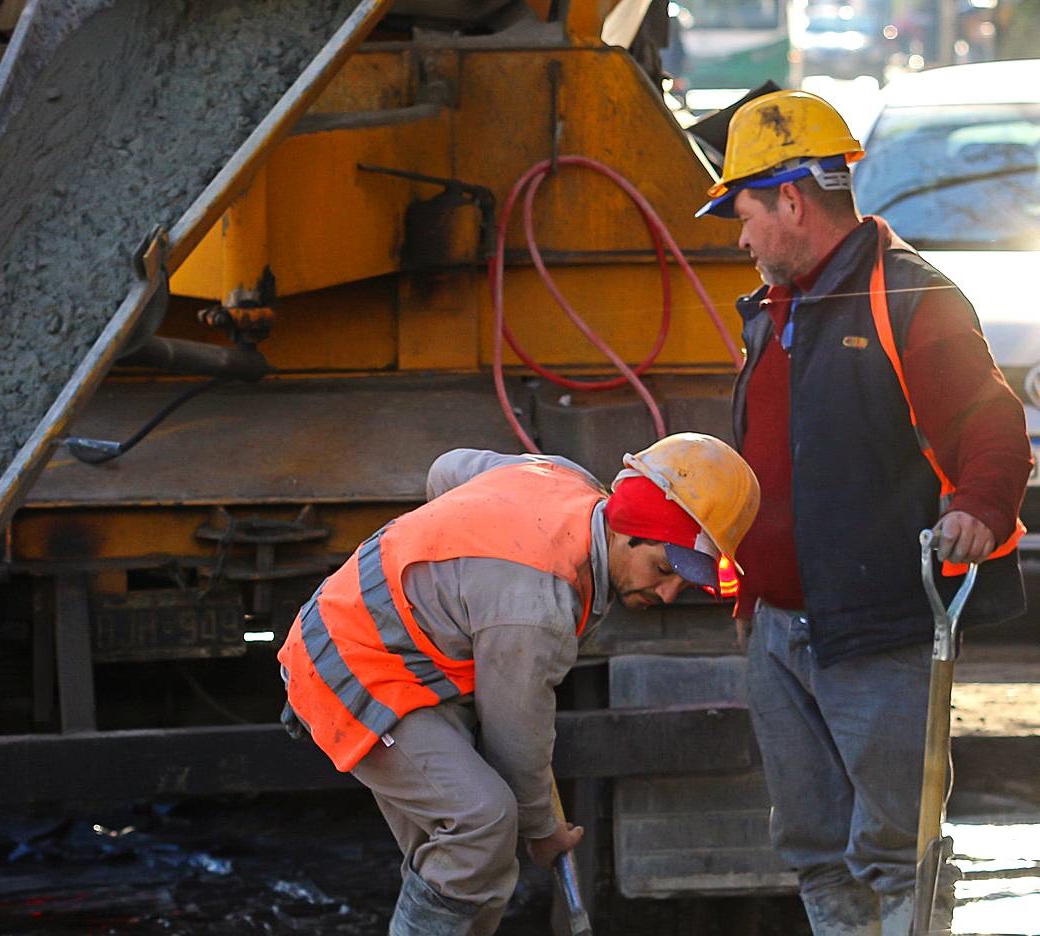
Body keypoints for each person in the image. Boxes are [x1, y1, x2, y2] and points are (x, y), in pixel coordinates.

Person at [698, 89, 1030, 934]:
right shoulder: (775, 311)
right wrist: (749, 598)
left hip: (878, 632)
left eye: (743, 212)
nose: (739, 238)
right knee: (814, 851)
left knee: (897, 856)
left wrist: (981, 511)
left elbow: (993, 429)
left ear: (792, 200)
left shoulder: (913, 296)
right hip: (780, 629)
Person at [279, 434, 760, 934]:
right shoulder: (536, 604)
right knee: (480, 824)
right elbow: (515, 737)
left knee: (462, 858)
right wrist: (544, 829)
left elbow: (448, 469)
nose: (666, 592)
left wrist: (459, 582)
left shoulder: (559, 477)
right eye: (663, 569)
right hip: (349, 659)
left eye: (684, 584)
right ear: (629, 529)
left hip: (412, 664)